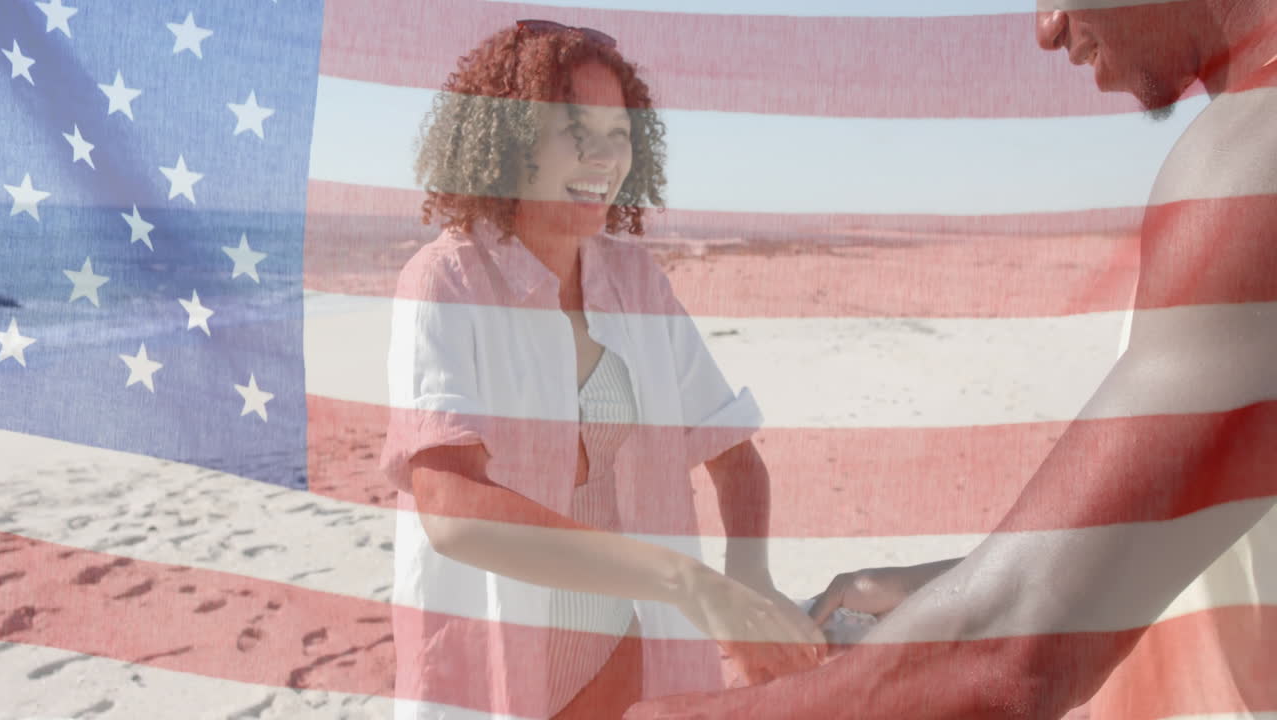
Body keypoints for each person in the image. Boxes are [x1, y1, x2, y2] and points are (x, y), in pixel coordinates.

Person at [625, 0, 1277, 718]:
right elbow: (1168, 532)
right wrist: (955, 588)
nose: (1046, 28)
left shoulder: (1257, 153)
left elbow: (1014, 654)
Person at [379, 20, 826, 720]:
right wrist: (684, 580)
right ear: (512, 138)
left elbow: (733, 457)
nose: (603, 156)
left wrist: (751, 581)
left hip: (621, 649)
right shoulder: (445, 280)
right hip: (496, 662)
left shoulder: (635, 282)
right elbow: (452, 513)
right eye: (574, 131)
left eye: (619, 135)